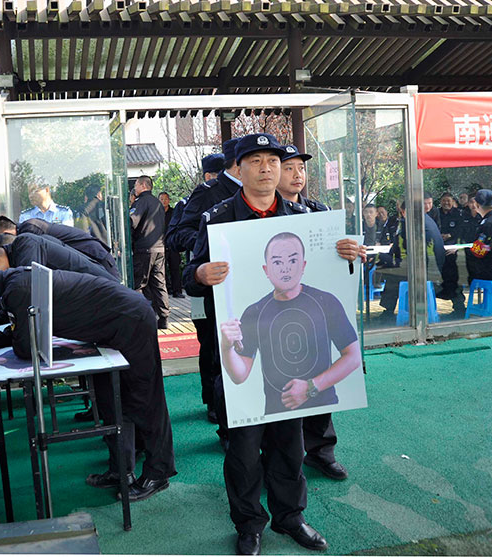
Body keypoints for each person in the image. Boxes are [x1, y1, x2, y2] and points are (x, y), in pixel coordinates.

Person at [183, 133, 363, 555]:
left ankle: (290, 517)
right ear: (238, 169)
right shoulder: (217, 219)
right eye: (256, 161)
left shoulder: (305, 218)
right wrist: (201, 274)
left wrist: (348, 254)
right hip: (245, 353)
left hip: (297, 364)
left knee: (290, 445)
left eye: (273, 161)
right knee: (244, 451)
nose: (266, 168)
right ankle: (249, 524)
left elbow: (336, 275)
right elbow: (188, 275)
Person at [0, 261, 176, 502]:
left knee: (145, 398)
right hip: (109, 327)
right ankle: (121, 469)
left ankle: (159, 472)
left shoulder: (17, 289)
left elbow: (26, 345)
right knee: (109, 399)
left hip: (130, 320)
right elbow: (23, 332)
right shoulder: (11, 284)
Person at [276, 144, 353, 482]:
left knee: (318, 377)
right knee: (279, 386)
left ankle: (321, 452)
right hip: (276, 313)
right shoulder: (261, 216)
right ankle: (282, 463)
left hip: (314, 310)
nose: (298, 175)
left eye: (301, 168)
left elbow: (338, 263)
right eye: (289, 168)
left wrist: (349, 252)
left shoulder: (319, 211)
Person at [219, 232, 361, 415]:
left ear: (303, 266)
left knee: (320, 434)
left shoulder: (325, 302)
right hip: (276, 413)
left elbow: (353, 356)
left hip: (322, 407)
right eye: (277, 262)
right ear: (266, 270)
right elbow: (239, 375)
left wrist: (311, 387)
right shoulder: (255, 312)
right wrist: (226, 347)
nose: (285, 269)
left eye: (293, 261)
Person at [166, 140, 241, 427]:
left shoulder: (263, 193)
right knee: (211, 342)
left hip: (247, 284)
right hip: (208, 283)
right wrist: (209, 245)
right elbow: (176, 236)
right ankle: (214, 402)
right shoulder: (205, 194)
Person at [378, 200, 448, 322]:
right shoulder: (427, 220)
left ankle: (387, 311)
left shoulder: (411, 223)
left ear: (404, 211)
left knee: (388, 268)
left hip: (422, 269)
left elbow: (398, 248)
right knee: (391, 265)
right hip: (433, 268)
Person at [0, 215, 119, 279]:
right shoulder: (27, 228)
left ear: (5, 233)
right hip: (88, 260)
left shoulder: (28, 233)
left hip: (95, 257)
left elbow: (30, 274)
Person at [130, 175, 170, 329]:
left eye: (136, 185)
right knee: (159, 283)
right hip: (159, 248)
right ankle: (164, 318)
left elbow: (132, 222)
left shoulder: (141, 202)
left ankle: (142, 317)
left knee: (139, 284)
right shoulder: (158, 203)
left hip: (144, 249)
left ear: (143, 185)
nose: (134, 188)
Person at [436, 192, 463, 301]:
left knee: (451, 268)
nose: (446, 203)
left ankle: (453, 292)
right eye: (444, 200)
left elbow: (461, 229)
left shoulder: (458, 214)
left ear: (453, 202)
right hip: (438, 244)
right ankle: (444, 289)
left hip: (453, 246)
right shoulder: (437, 213)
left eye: (448, 201)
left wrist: (450, 235)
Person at [159, 191, 183, 298]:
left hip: (172, 244)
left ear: (169, 200)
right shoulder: (155, 213)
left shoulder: (174, 213)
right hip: (160, 244)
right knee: (161, 269)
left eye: (166, 199)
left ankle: (177, 291)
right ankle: (165, 290)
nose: (164, 201)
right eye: (161, 199)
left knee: (175, 268)